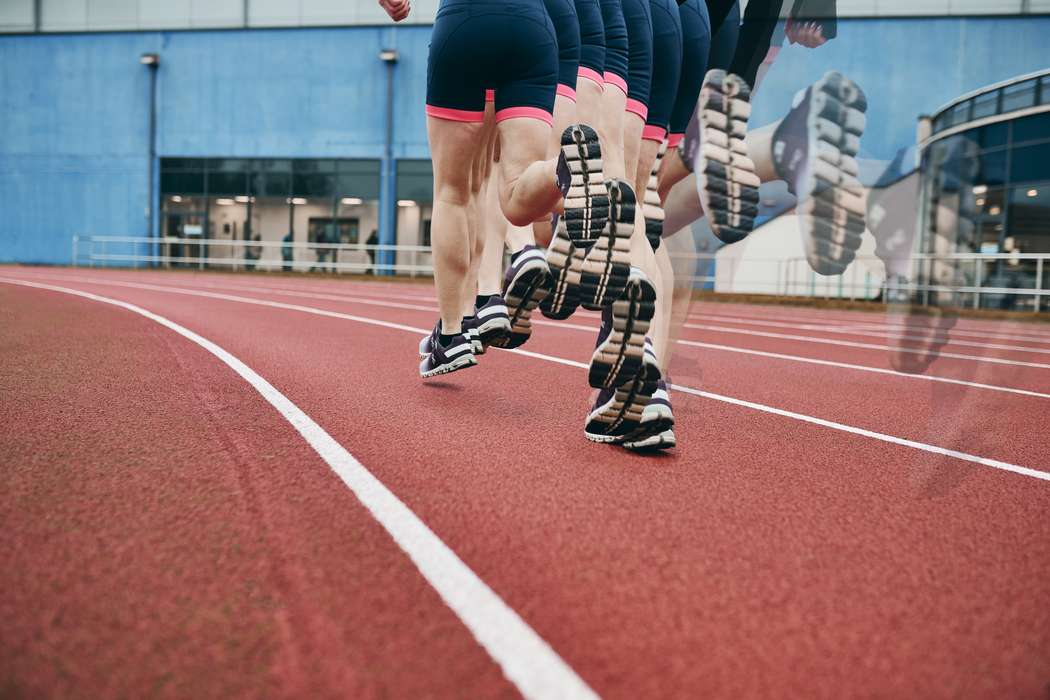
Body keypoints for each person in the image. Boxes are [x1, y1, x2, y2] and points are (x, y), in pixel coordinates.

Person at [379, 0, 608, 379]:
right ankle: (560, 169)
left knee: (454, 192)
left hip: (466, 22)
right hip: (532, 28)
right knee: (516, 194)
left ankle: (452, 333)